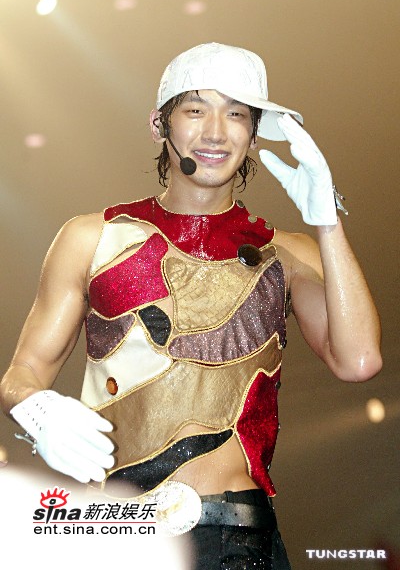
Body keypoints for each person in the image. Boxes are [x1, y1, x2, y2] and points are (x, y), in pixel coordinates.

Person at [0, 42, 382, 569]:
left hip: (234, 538)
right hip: (113, 531)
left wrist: (327, 221)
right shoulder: (92, 237)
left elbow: (358, 359)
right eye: (196, 110)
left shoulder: (287, 253)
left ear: (254, 134)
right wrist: (35, 409)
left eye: (237, 115)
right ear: (160, 124)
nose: (216, 133)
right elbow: (22, 373)